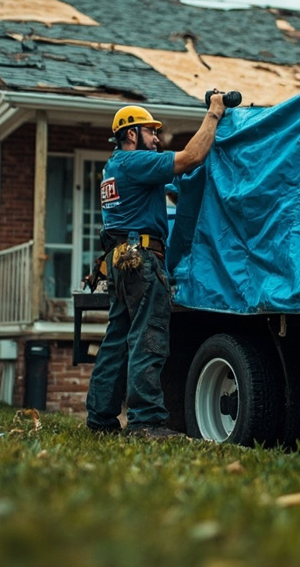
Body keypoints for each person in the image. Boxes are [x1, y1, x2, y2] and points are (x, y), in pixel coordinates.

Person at [86, 95, 227, 439]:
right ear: (131, 134)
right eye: (150, 131)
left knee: (117, 341)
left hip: (121, 262)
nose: (156, 139)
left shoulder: (115, 168)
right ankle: (145, 421)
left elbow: (168, 187)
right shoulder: (135, 162)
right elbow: (192, 157)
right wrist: (214, 113)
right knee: (148, 339)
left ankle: (101, 419)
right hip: (142, 261)